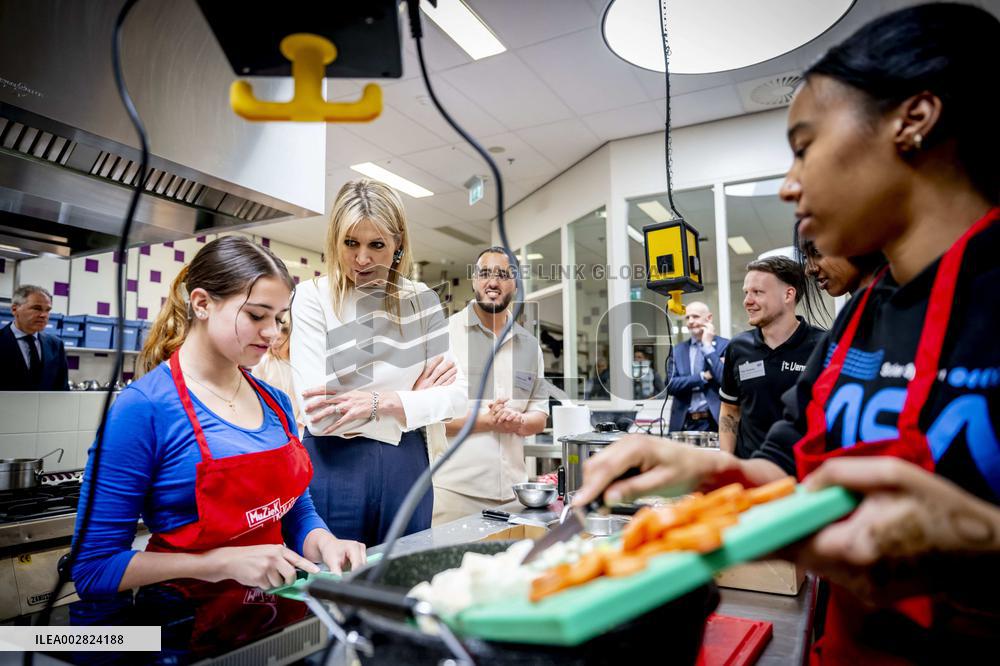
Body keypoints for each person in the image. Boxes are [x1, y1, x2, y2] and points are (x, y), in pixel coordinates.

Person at [574, 4, 999, 661]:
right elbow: (788, 466)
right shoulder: (859, 320)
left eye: (804, 147)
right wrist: (707, 472)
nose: (788, 186)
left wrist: (982, 538)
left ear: (913, 120)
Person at [71, 236, 366, 597]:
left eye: (279, 318)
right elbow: (93, 567)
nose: (272, 333)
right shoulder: (144, 408)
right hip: (182, 625)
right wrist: (220, 563)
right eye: (257, 315)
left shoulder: (276, 403)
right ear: (202, 304)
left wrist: (325, 544)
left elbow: (296, 514)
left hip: (270, 614)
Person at [290, 179, 467, 547]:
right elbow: (319, 415)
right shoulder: (312, 297)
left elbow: (455, 397)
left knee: (403, 580)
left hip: (408, 468)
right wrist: (411, 401)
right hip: (332, 464)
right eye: (350, 243)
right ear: (335, 240)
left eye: (377, 245)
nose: (362, 259)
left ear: (398, 245)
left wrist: (382, 402)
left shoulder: (422, 302)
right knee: (332, 589)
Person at [431, 247, 549, 525]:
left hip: (514, 497)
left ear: (515, 284)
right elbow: (431, 418)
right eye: (485, 274)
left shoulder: (530, 346)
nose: (492, 282)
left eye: (502, 275)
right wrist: (491, 420)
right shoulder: (444, 336)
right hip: (454, 494)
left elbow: (539, 417)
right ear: (474, 280)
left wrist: (518, 420)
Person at [718, 257, 824, 457]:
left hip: (803, 475)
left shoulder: (823, 346)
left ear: (788, 294)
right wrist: (727, 461)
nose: (747, 301)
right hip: (750, 474)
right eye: (746, 292)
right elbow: (730, 409)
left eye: (757, 292)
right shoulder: (738, 347)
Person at [665, 301, 728, 432]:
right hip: (684, 423)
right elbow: (670, 385)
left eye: (695, 316)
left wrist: (707, 346)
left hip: (715, 422)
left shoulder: (725, 346)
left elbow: (724, 379)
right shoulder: (677, 350)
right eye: (687, 317)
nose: (690, 321)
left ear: (709, 318)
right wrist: (703, 376)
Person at [0, 285, 68, 391]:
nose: (43, 315)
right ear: (14, 309)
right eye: (37, 308)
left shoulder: (56, 345)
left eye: (48, 310)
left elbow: (62, 390)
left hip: (46, 407)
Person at [251, 311, 304, 431]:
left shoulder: (298, 364)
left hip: (298, 425)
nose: (274, 344)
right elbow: (257, 394)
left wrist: (301, 420)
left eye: (280, 339)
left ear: (289, 340)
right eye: (273, 339)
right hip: (273, 423)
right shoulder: (263, 363)